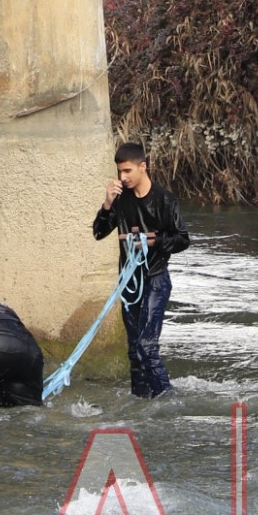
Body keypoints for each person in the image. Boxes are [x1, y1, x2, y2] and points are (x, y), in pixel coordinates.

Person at [92, 141, 190, 399]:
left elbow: (183, 239)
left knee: (147, 347)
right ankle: (140, 402)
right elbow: (99, 233)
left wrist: (154, 241)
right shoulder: (120, 200)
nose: (122, 177)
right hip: (129, 282)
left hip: (156, 279)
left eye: (127, 171)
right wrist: (106, 204)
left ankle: (168, 400)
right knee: (134, 351)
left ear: (142, 167)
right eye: (119, 172)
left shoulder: (164, 199)